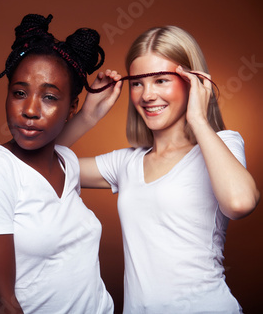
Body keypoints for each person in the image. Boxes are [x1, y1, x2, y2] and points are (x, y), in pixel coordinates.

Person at [58, 25, 260, 313]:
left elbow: (239, 203)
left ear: (193, 81)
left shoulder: (222, 144)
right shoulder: (126, 163)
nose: (147, 95)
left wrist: (199, 120)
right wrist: (87, 117)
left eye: (162, 80)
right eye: (138, 83)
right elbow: (42, 164)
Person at [0, 14, 114, 314]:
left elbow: (50, 150)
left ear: (71, 106)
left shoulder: (67, 163)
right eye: (19, 93)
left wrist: (90, 115)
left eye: (49, 97)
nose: (30, 110)